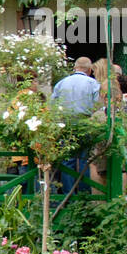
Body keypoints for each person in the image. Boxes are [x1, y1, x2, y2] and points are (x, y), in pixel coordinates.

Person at [51, 57, 100, 194]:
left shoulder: (61, 84)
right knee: (85, 160)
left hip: (65, 125)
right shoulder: (93, 83)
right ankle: (84, 195)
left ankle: (69, 195)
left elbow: (52, 106)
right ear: (90, 70)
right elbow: (98, 106)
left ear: (75, 68)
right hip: (86, 124)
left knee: (67, 161)